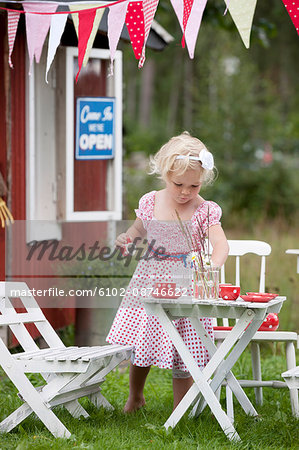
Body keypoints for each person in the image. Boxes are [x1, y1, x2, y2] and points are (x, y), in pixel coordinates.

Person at [106, 132, 229, 412]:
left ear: (203, 181)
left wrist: (213, 264)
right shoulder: (151, 202)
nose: (186, 191)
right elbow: (138, 230)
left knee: (184, 348)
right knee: (142, 344)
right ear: (164, 173)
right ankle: (135, 395)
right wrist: (127, 238)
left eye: (194, 185)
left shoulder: (205, 210)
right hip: (150, 282)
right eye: (179, 184)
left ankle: (179, 407)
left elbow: (220, 243)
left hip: (186, 284)